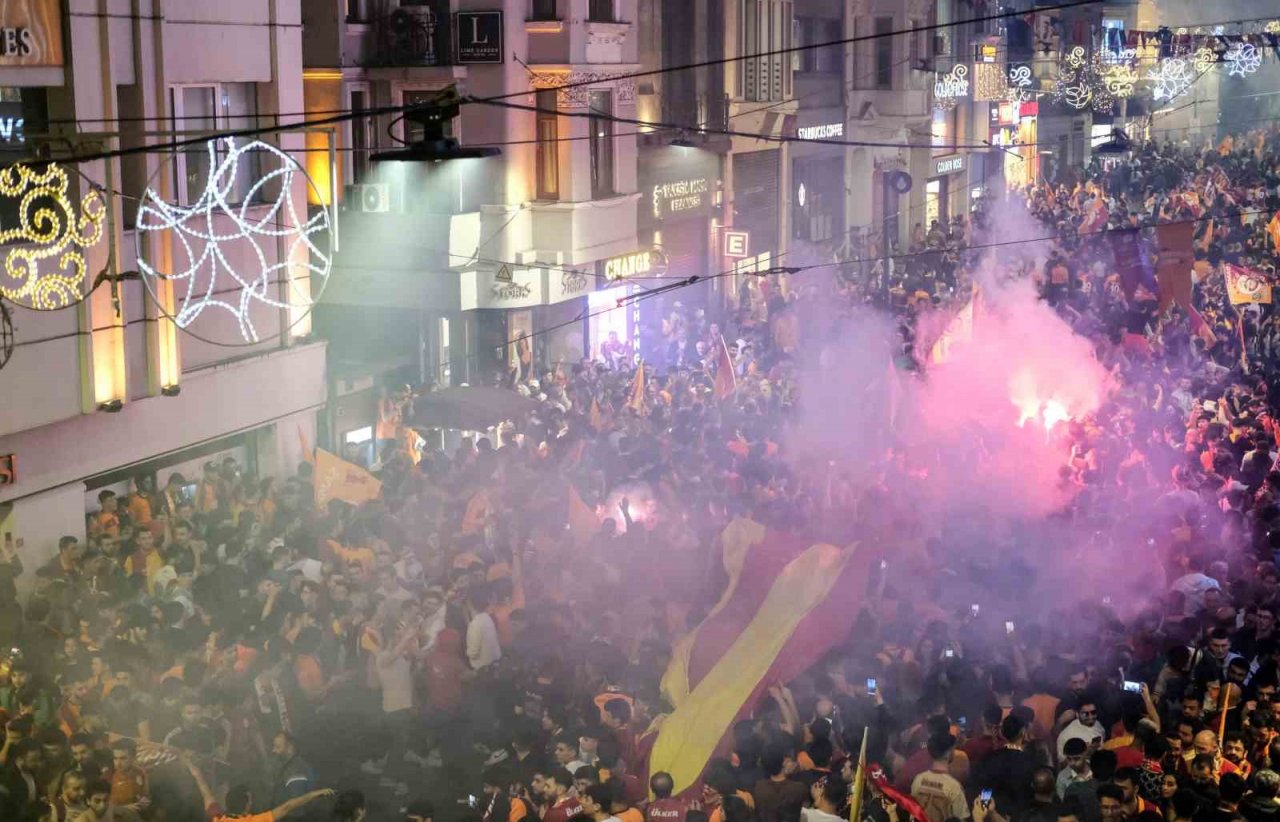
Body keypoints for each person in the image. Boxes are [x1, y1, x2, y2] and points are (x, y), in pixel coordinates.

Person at [910, 734, 969, 822]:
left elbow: (912, 814)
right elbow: (962, 819)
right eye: (953, 749)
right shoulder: (954, 786)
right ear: (948, 753)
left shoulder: (918, 779)